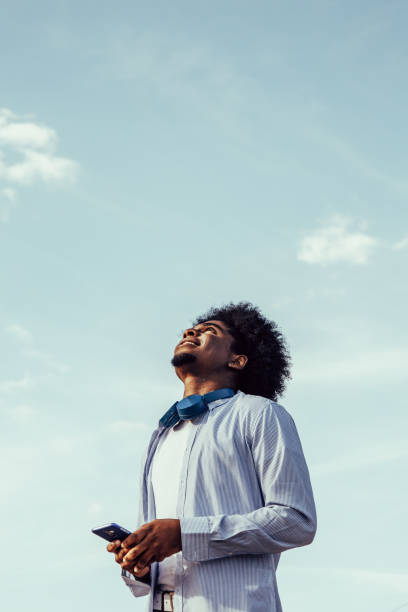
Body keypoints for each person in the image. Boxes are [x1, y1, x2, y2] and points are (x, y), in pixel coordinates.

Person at [107, 302, 316, 612]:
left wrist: (183, 534)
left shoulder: (259, 415)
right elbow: (159, 549)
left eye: (209, 331)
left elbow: (296, 521)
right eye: (191, 329)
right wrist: (140, 561)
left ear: (237, 360)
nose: (191, 331)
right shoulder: (160, 436)